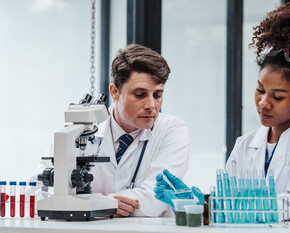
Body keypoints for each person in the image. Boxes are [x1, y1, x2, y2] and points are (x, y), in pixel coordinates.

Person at [155, 2, 290, 223]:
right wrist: (197, 203)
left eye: (277, 97)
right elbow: (227, 209)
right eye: (260, 90)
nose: (263, 103)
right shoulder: (245, 145)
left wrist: (221, 205)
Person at [34, 44, 189, 217]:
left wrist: (85, 203)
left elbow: (154, 200)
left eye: (157, 95)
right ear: (114, 91)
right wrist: (105, 203)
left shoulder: (172, 130)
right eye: (139, 94)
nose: (151, 105)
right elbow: (37, 193)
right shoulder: (77, 133)